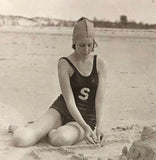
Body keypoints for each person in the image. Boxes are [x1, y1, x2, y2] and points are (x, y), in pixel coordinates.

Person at [9, 17, 107, 147]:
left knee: (60, 139)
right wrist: (86, 128)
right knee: (21, 140)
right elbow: (70, 102)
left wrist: (97, 127)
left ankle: (46, 132)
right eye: (81, 45)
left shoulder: (100, 63)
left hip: (85, 119)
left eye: (90, 45)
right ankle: (19, 129)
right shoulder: (65, 63)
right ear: (74, 43)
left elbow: (99, 102)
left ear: (94, 43)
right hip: (61, 110)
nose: (86, 49)